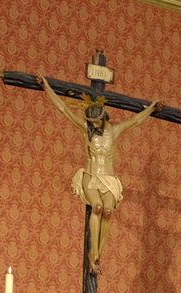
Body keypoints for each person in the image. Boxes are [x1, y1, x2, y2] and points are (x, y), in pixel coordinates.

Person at [40, 76, 157, 272]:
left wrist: (151, 108)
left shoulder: (114, 131)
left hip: (108, 178)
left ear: (103, 118)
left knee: (108, 212)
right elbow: (64, 109)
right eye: (91, 122)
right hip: (91, 175)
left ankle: (98, 253)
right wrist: (47, 87)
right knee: (97, 207)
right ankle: (92, 253)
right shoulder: (86, 129)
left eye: (96, 122)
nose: (93, 125)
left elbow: (136, 120)